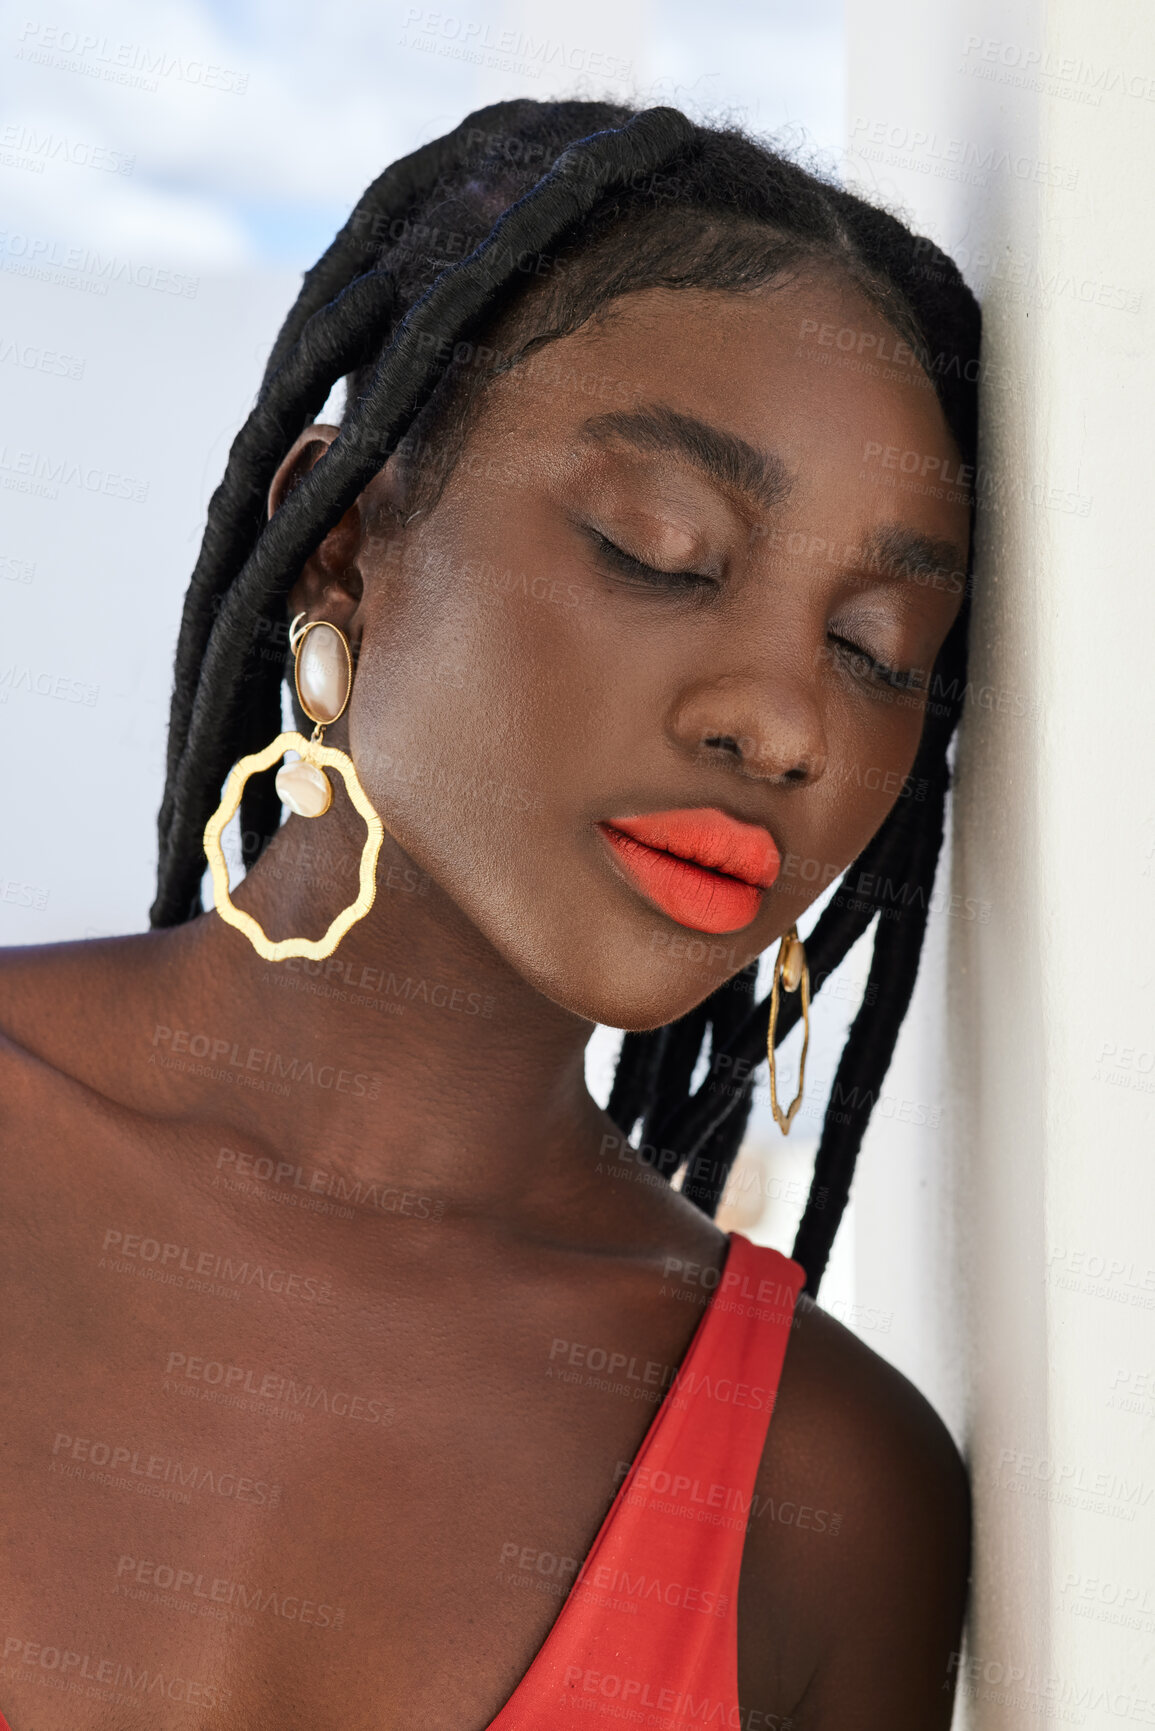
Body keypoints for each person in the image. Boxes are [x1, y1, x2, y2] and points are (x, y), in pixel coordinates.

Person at [0, 98, 979, 1728]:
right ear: (344, 544)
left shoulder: (822, 1497)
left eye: (876, 648)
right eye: (661, 550)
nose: (785, 720)